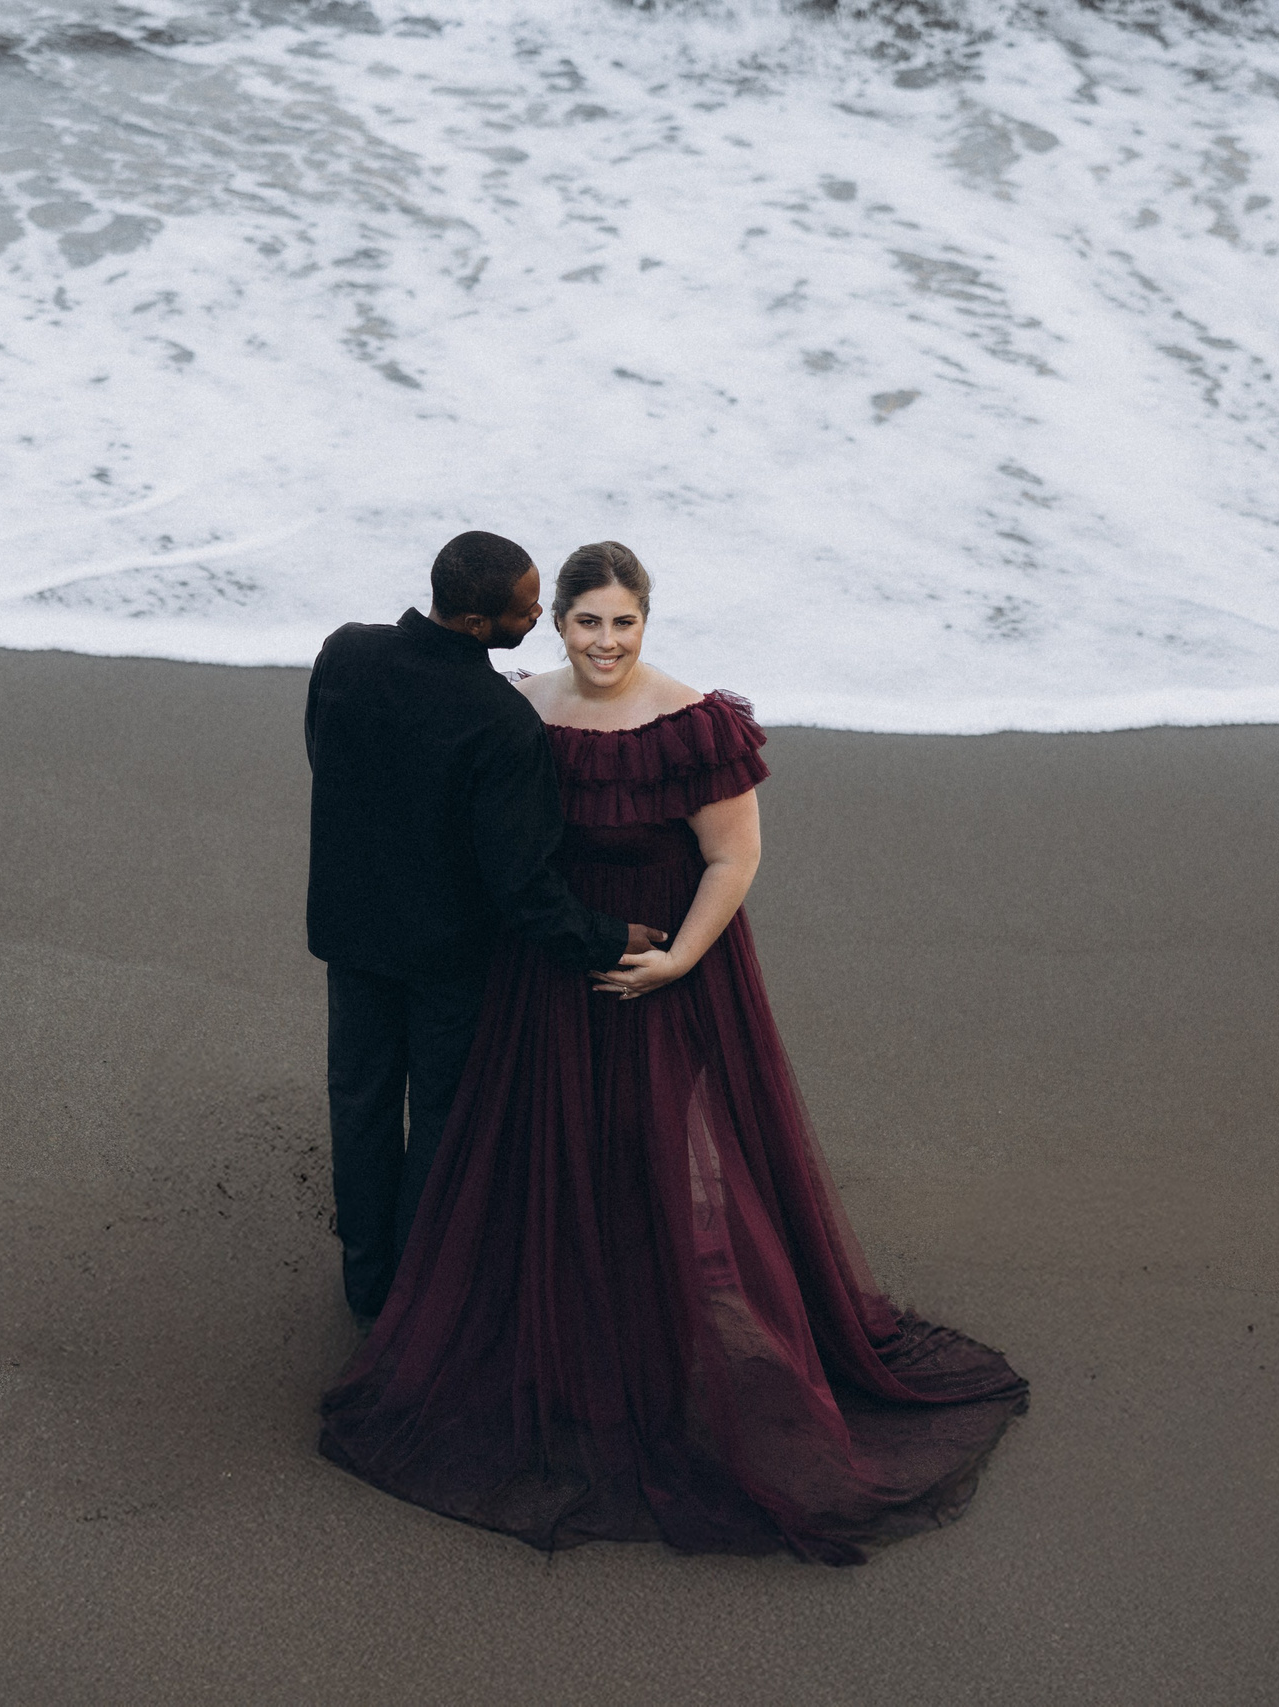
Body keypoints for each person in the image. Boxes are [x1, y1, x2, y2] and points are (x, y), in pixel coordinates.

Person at [319, 541, 1027, 1565]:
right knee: (529, 1143)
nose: (605, 642)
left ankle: (634, 1333)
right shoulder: (513, 708)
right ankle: (511, 1311)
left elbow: (733, 855)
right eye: (584, 620)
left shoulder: (694, 725)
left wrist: (675, 962)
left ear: (646, 622)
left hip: (663, 970)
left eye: (624, 622)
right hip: (544, 972)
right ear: (550, 621)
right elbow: (487, 846)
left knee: (649, 1145)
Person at [304, 530, 668, 1330]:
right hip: (446, 957)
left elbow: (322, 757)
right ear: (479, 622)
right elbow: (525, 888)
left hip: (352, 933)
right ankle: (415, 1291)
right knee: (439, 1112)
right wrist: (608, 936)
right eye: (529, 606)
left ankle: (366, 1281)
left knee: (358, 1105)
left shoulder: (346, 654)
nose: (541, 615)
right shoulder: (502, 724)